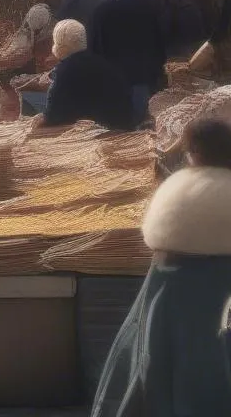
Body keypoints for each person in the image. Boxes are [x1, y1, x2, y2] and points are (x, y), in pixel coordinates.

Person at [91, 118, 231, 416]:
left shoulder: (175, 190)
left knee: (163, 366)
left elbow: (159, 252)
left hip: (173, 301)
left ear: (193, 152)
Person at [92, 0, 166, 125]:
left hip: (114, 77)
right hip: (142, 74)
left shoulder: (102, 11)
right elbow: (158, 39)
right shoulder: (145, 6)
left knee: (119, 128)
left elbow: (96, 48)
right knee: (140, 124)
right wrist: (158, 67)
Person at [40, 19, 133, 131]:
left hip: (96, 133)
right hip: (123, 125)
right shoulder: (104, 62)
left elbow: (53, 115)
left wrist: (40, 120)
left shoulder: (64, 71)